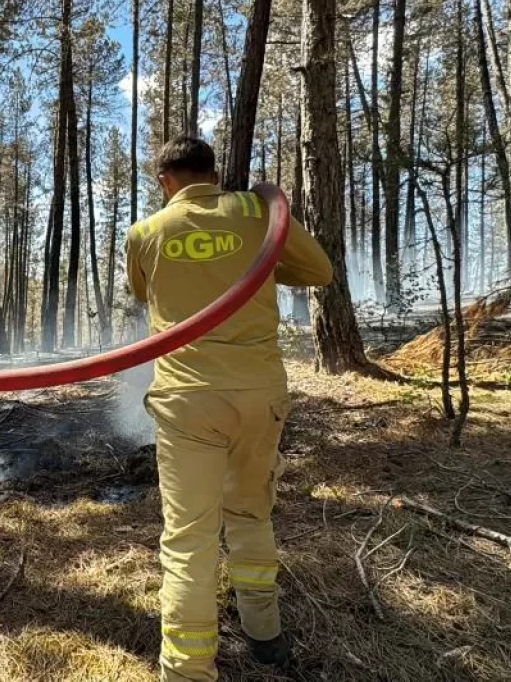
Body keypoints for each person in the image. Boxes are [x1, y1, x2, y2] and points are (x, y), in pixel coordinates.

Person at [126, 137, 333, 681]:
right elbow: (319, 272)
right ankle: (265, 635)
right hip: (259, 394)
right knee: (250, 512)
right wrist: (258, 253)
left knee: (190, 536)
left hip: (186, 400)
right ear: (213, 173)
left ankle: (188, 670)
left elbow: (144, 292)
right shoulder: (255, 212)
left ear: (165, 180)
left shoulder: (145, 231)